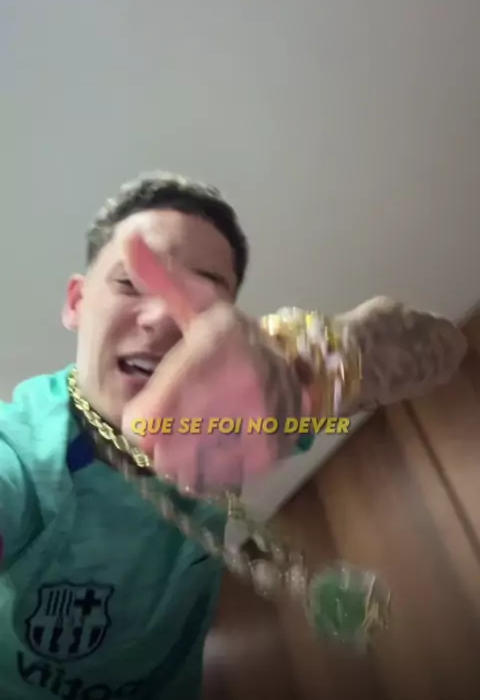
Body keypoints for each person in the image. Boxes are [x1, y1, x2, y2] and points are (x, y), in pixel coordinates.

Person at [0, 172, 467, 700]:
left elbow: (446, 349)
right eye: (129, 283)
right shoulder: (23, 450)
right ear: (76, 302)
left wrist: (335, 355)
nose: (161, 317)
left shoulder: (254, 405)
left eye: (203, 295)